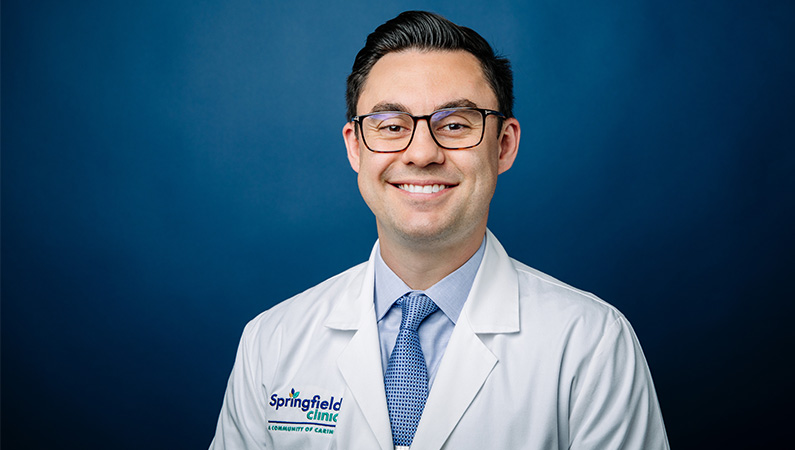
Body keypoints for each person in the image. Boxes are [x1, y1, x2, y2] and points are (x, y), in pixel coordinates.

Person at [210, 10, 669, 450]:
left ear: (504, 145)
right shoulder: (271, 342)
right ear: (355, 148)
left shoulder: (591, 344)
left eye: (454, 124)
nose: (422, 153)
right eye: (391, 126)